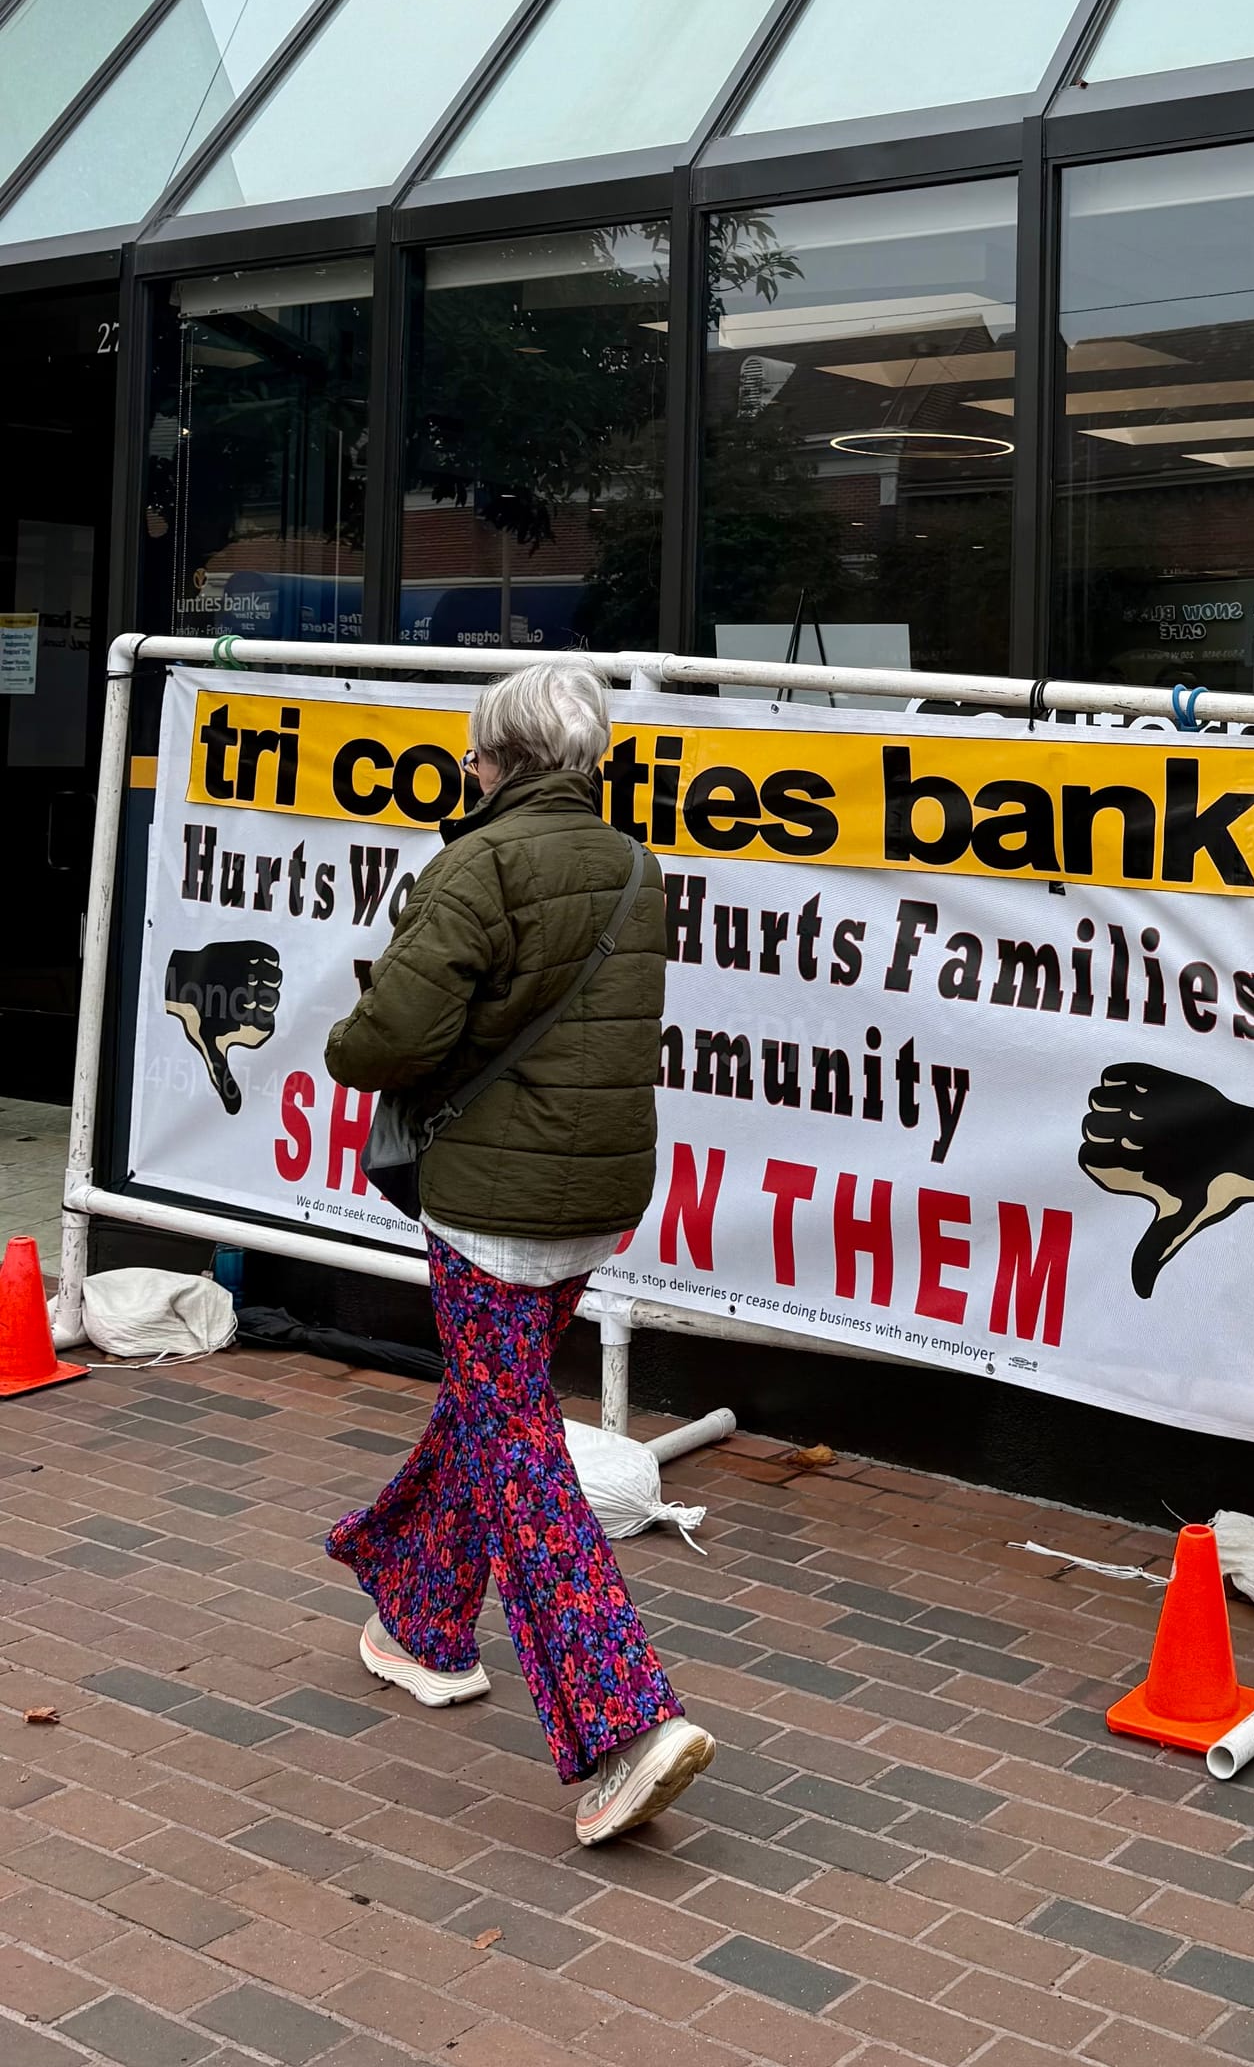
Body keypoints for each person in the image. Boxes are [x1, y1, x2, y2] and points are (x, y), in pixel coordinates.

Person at [321, 658, 713, 1847]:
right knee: (495, 1412)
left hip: (488, 1206)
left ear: (498, 757)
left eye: (476, 751)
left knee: (517, 1450)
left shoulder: (477, 862)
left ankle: (624, 1723)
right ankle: (417, 1615)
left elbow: (393, 1034)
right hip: (593, 1200)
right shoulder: (634, 867)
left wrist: (348, 1039)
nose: (469, 766)